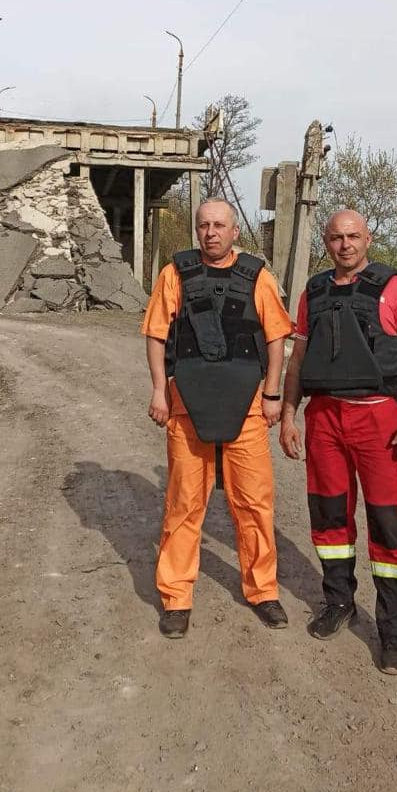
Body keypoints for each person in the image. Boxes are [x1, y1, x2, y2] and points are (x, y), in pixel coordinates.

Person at [280, 210, 397, 674]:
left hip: (379, 421)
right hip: (324, 417)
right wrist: (288, 413)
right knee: (330, 521)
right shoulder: (315, 292)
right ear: (326, 243)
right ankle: (338, 602)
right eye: (336, 238)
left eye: (353, 237)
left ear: (368, 238)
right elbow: (298, 358)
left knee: (388, 526)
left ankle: (391, 632)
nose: (345, 245)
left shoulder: (395, 289)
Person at [142, 198, 293, 639]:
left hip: (246, 407)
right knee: (184, 504)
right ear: (197, 230)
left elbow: (277, 338)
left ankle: (263, 591)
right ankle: (176, 598)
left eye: (219, 225)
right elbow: (156, 334)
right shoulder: (174, 275)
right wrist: (158, 390)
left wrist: (273, 394)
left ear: (234, 232)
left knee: (253, 503)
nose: (211, 233)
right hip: (187, 404)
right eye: (203, 225)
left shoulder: (257, 277)